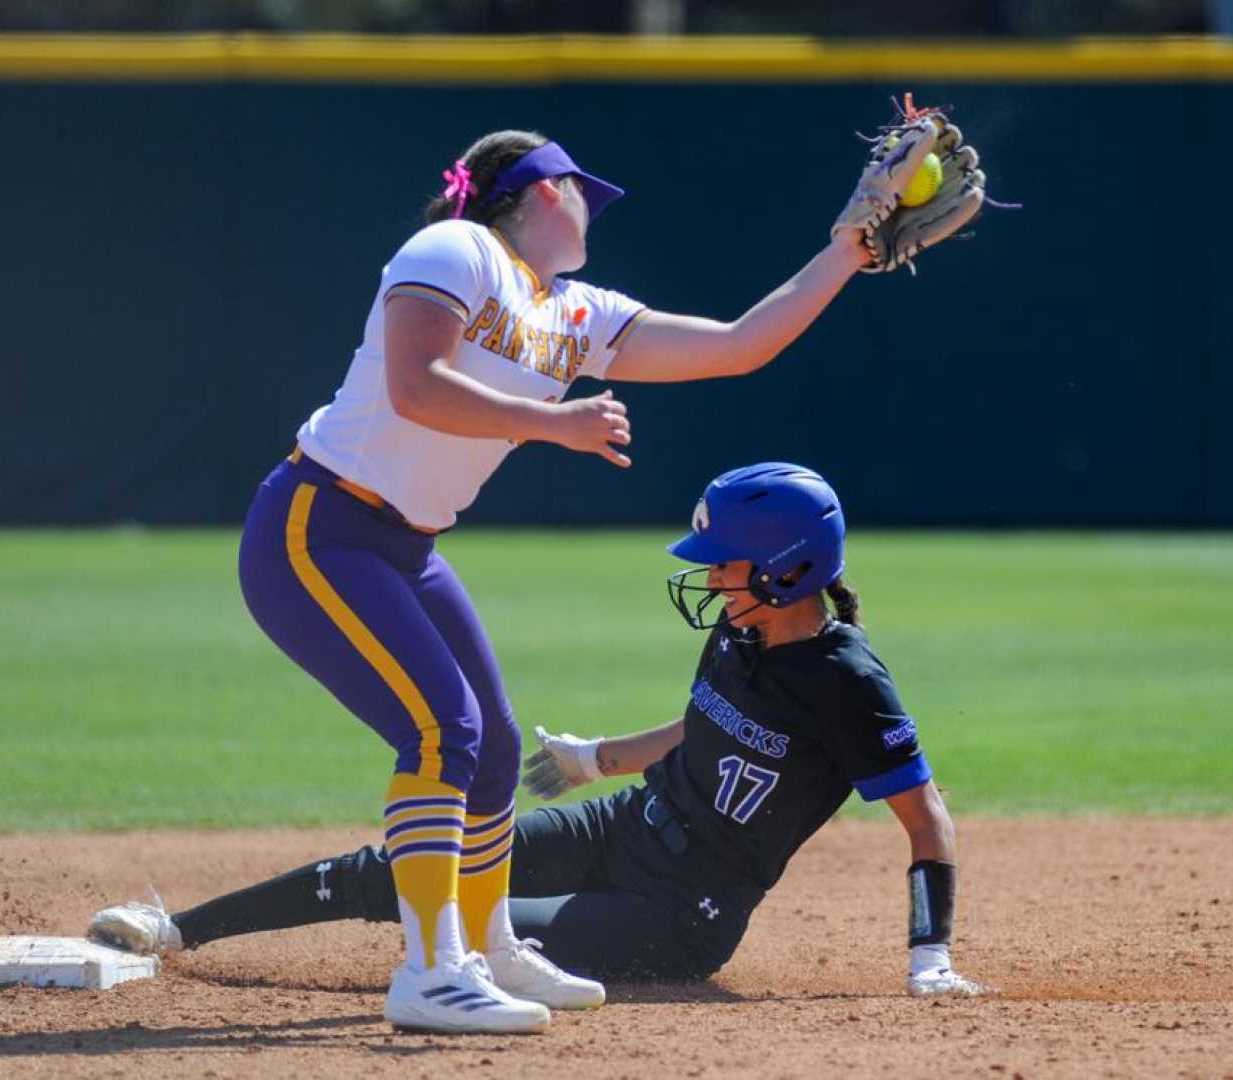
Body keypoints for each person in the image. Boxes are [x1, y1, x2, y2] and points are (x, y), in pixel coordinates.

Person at [159, 122, 953, 1035]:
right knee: (440, 731)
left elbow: (739, 344)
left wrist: (846, 253)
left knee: (492, 745)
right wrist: (554, 424)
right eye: (582, 193)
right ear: (545, 191)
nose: (590, 209)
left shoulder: (571, 313)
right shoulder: (454, 249)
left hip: (405, 546)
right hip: (318, 526)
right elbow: (417, 385)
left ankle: (492, 950)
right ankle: (430, 970)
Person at [92, 463, 982, 999]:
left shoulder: (847, 683)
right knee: (407, 866)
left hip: (675, 914)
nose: (708, 579)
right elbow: (707, 723)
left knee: (469, 934)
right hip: (622, 829)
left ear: (790, 570)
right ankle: (178, 930)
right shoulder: (742, 628)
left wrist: (929, 956)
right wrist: (600, 758)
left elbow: (925, 818)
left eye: (724, 565)